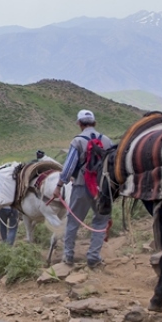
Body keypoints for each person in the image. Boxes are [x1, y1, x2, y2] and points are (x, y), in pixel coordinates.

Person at [58, 109, 113, 268]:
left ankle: (68, 256)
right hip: (101, 189)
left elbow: (68, 169)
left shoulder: (77, 141)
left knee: (73, 222)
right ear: (94, 123)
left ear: (79, 124)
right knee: (101, 221)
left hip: (81, 186)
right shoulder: (107, 140)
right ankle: (94, 257)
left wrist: (59, 185)